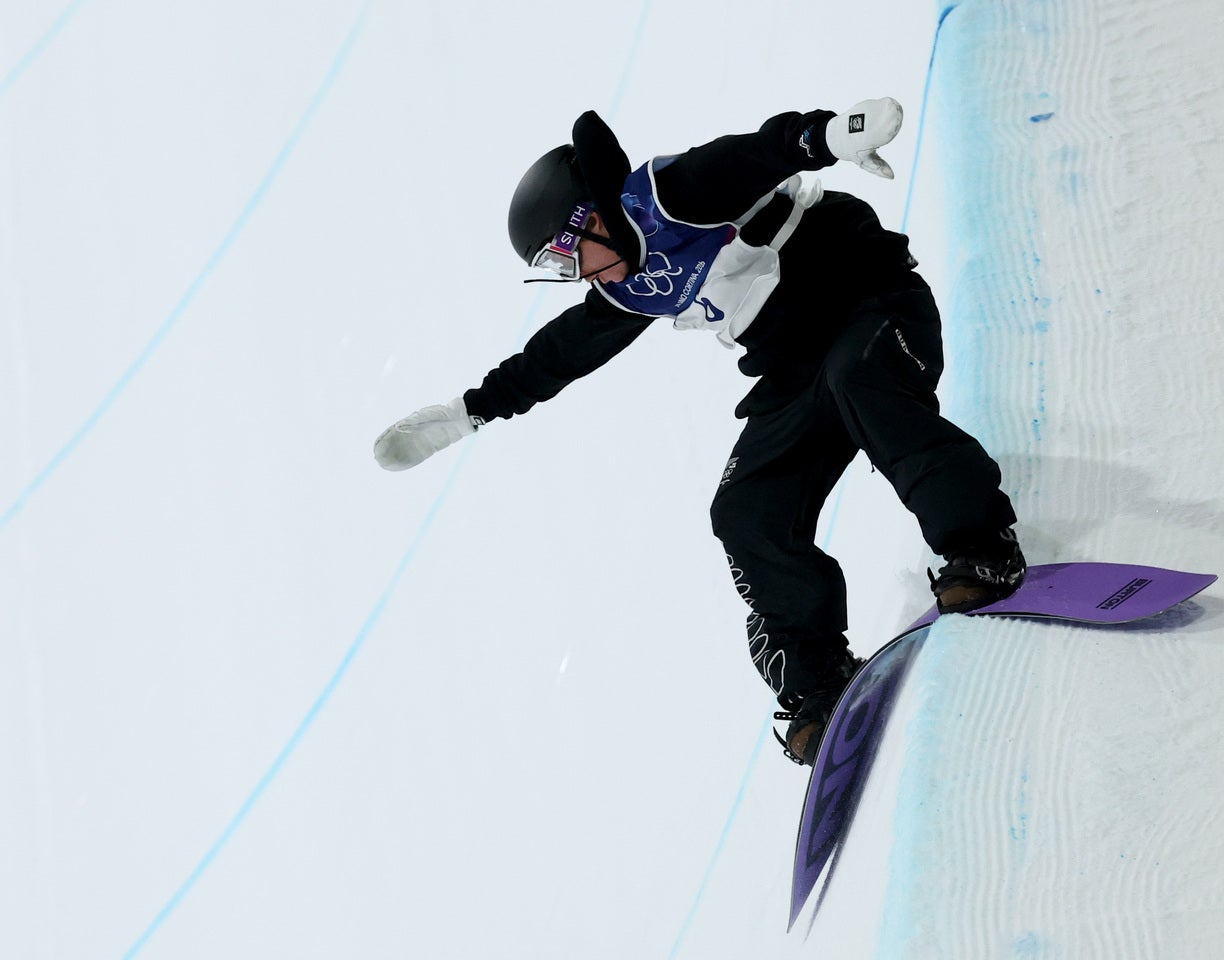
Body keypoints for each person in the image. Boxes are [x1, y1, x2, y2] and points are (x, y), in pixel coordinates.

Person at [373, 99, 1025, 765]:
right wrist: (468, 410)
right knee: (744, 510)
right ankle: (817, 680)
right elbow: (555, 356)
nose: (581, 277)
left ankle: (980, 543)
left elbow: (757, 153)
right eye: (563, 270)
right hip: (799, 374)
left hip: (874, 305)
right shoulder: (630, 287)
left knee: (860, 380)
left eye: (571, 257)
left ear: (592, 216)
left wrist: (827, 135)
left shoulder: (673, 196)